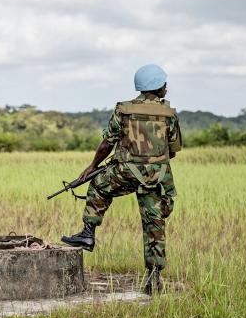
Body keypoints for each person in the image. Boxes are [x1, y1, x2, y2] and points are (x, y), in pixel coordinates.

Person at [61, 64, 182, 294]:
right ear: (158, 87)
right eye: (164, 84)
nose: (166, 87)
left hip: (125, 172)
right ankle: (154, 280)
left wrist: (93, 166)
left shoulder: (124, 110)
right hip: (157, 177)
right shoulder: (169, 114)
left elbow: (107, 143)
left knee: (98, 185)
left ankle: (88, 233)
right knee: (154, 224)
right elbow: (173, 149)